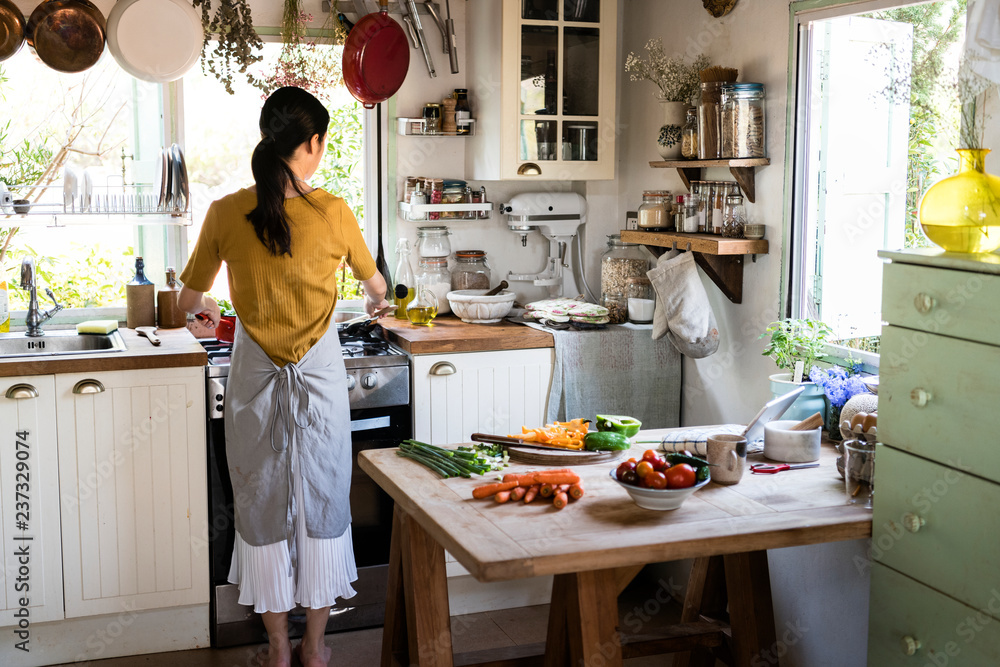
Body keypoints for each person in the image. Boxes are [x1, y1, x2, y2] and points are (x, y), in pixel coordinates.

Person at [178, 86, 390, 667]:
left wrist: (214, 314)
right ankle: (315, 648)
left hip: (253, 380)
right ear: (314, 143)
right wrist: (378, 305)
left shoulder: (225, 212)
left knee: (260, 503)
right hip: (318, 381)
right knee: (323, 500)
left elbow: (188, 306)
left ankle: (276, 648)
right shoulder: (336, 214)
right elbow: (379, 294)